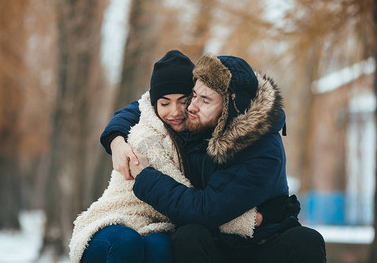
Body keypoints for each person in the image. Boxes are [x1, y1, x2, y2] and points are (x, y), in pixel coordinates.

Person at [102, 53, 326, 263]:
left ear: (231, 108)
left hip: (261, 242)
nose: (191, 107)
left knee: (307, 240)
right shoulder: (199, 122)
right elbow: (145, 105)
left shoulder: (263, 151)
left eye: (205, 101)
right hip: (217, 242)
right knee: (188, 236)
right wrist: (116, 139)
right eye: (194, 96)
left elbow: (204, 210)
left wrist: (145, 177)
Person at [69, 50, 259, 263]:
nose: (175, 111)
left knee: (160, 245)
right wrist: (248, 220)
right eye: (165, 103)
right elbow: (189, 197)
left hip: (155, 225)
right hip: (116, 220)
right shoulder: (146, 136)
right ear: (154, 104)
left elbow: (202, 197)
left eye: (183, 101)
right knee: (127, 240)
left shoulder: (198, 137)